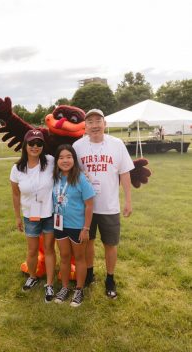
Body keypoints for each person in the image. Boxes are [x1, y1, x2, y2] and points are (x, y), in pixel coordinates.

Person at [73, 109, 134, 299]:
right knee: (87, 242)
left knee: (110, 244)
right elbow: (71, 172)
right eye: (90, 122)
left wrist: (128, 200)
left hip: (109, 205)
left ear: (104, 124)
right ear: (85, 127)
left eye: (98, 120)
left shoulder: (116, 144)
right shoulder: (77, 146)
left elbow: (124, 173)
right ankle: (89, 273)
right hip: (86, 206)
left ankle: (110, 278)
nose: (94, 125)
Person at [10, 129, 56, 303]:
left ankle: (50, 283)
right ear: (25, 145)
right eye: (32, 143)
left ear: (43, 146)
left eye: (39, 143)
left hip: (49, 214)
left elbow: (69, 165)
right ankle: (32, 276)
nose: (35, 147)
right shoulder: (16, 169)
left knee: (50, 249)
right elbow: (15, 194)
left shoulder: (51, 161)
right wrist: (17, 217)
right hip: (30, 215)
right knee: (32, 250)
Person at [52, 144, 95, 307]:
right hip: (59, 225)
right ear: (56, 161)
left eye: (68, 157)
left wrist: (86, 228)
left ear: (74, 159)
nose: (65, 160)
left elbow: (89, 205)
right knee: (64, 257)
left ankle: (78, 289)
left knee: (79, 258)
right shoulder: (55, 178)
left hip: (78, 226)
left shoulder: (81, 178)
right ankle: (64, 287)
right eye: (61, 157)